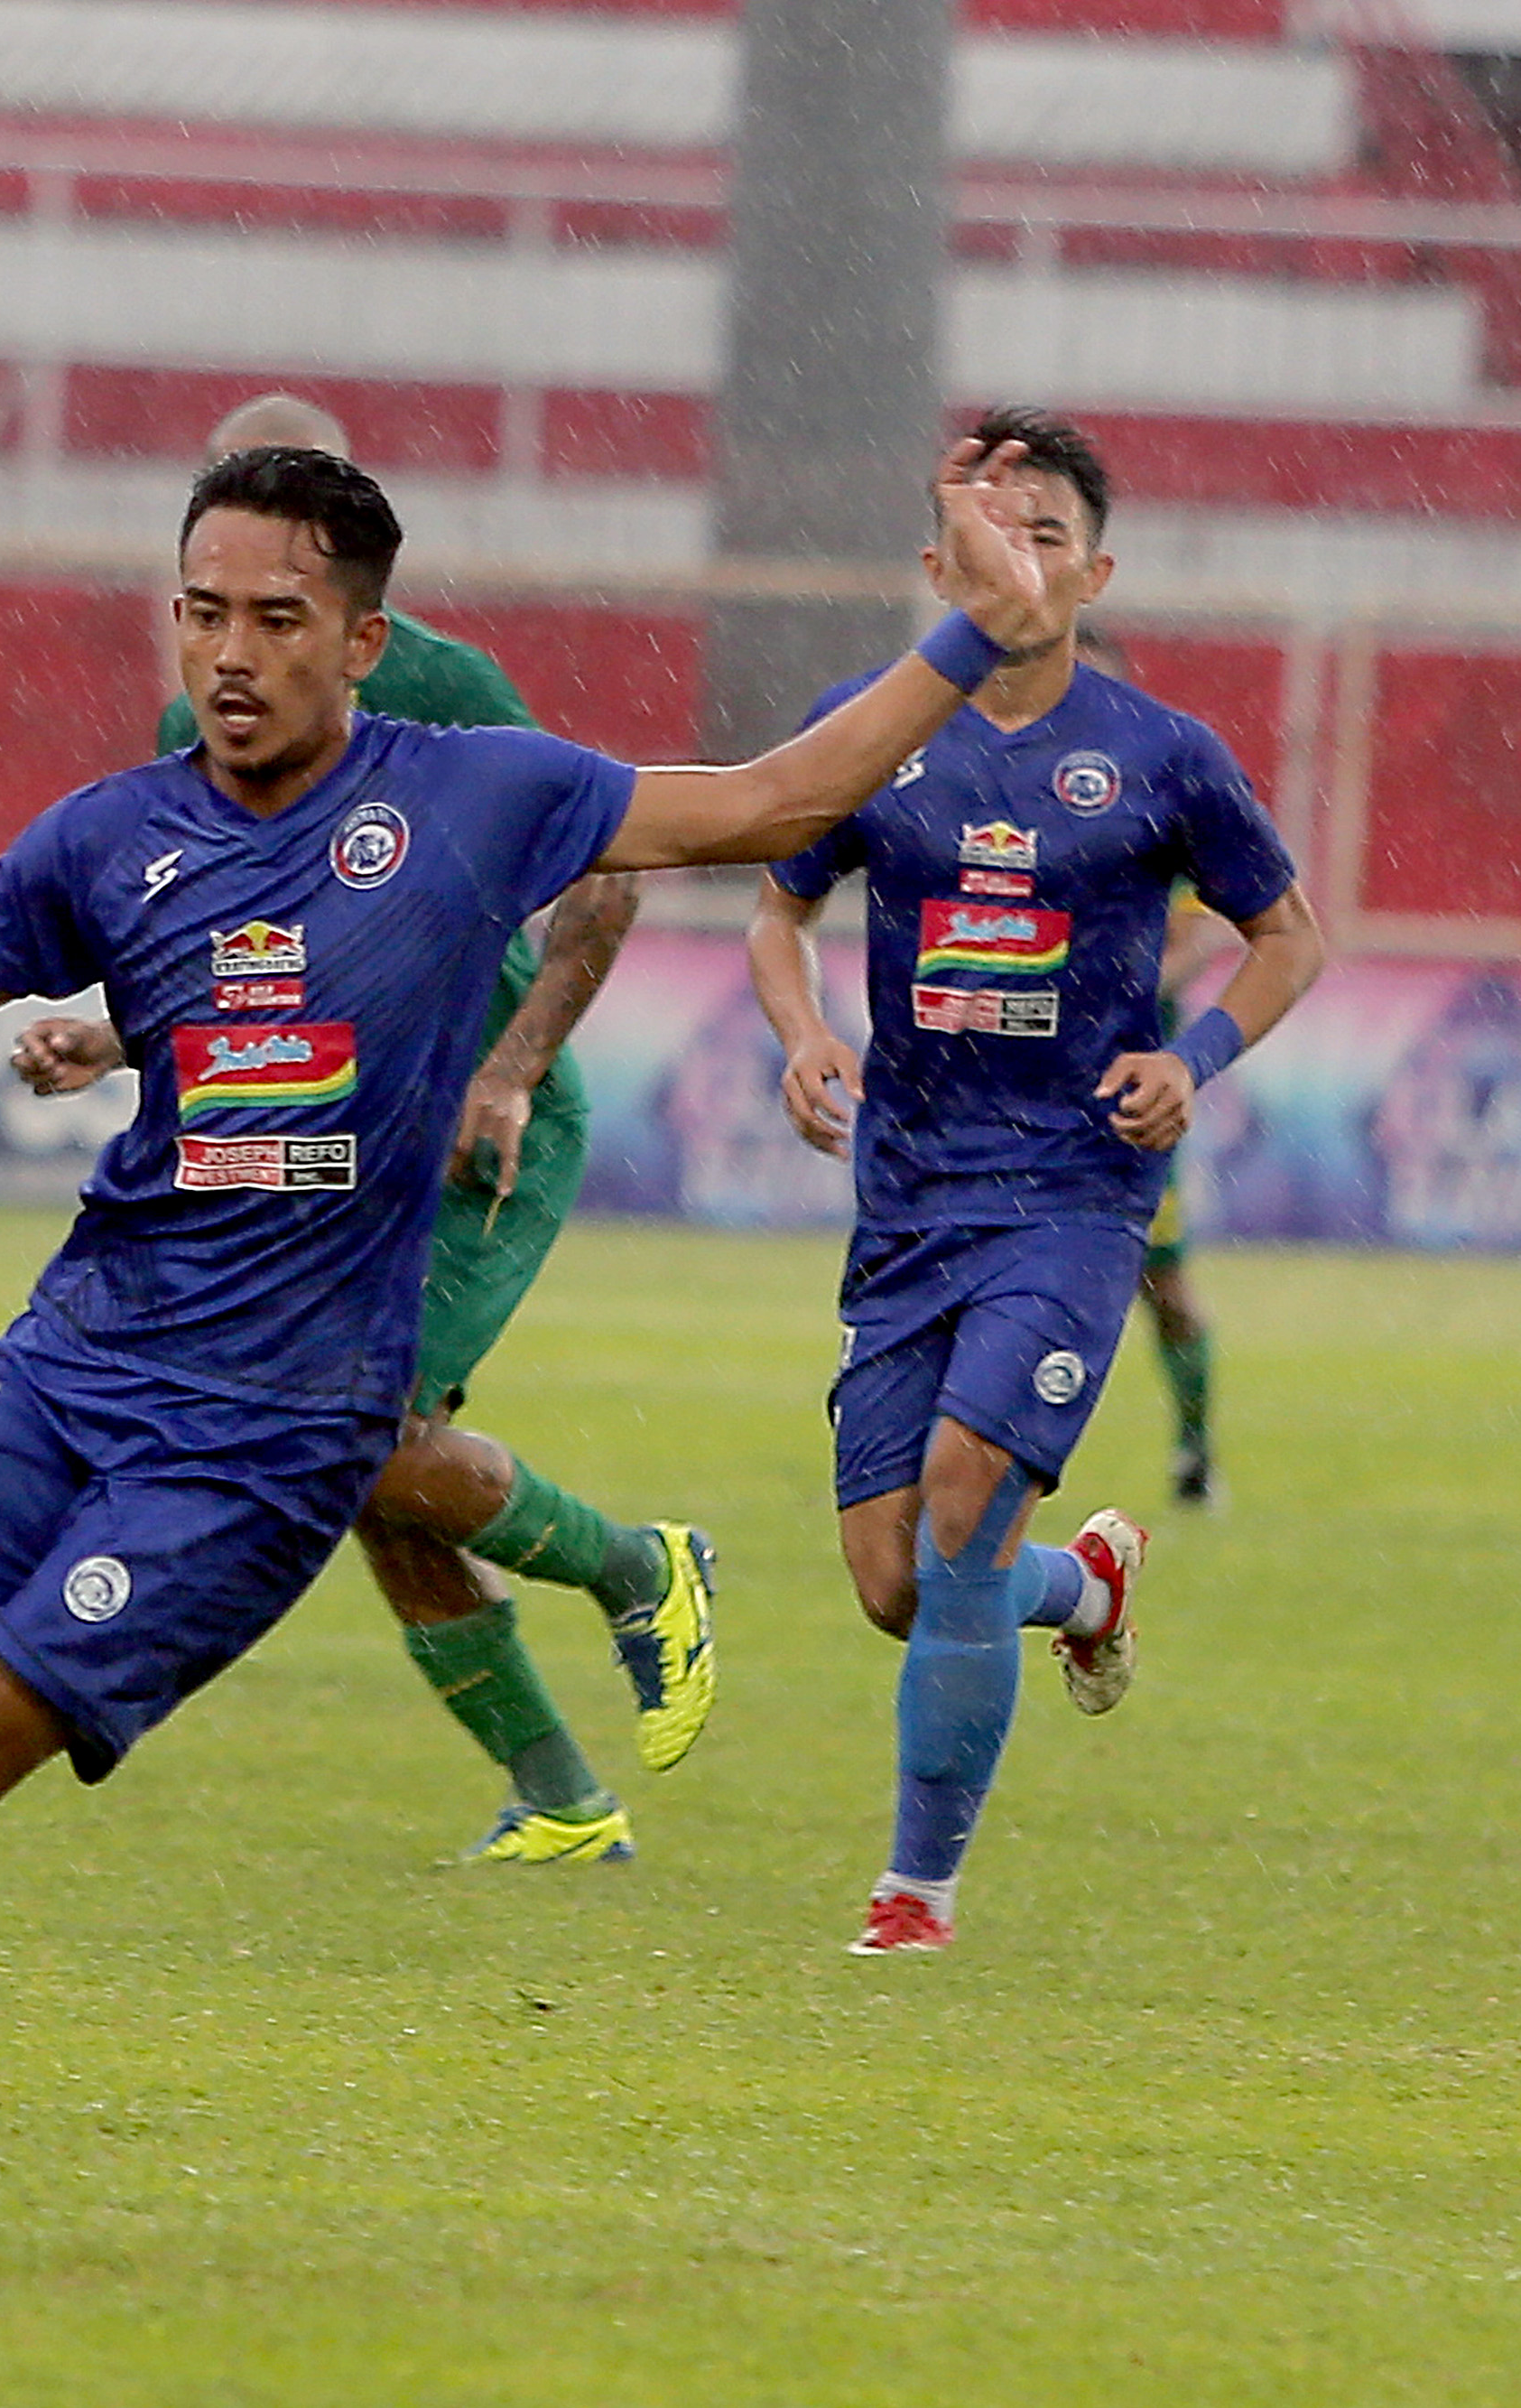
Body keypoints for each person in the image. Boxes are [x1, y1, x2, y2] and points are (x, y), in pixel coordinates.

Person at [0, 435, 1056, 2197]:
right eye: (198, 611)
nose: (227, 652)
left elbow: (758, 799)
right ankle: (27, 1669)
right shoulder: (107, 834)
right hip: (71, 1359)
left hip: (275, 1430)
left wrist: (968, 634)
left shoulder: (472, 796)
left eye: (275, 618)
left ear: (360, 643)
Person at [23, 388, 717, 1869]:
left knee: (368, 1443)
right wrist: (111, 1025)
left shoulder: (445, 690)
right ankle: (568, 1799)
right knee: (371, 1483)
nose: (237, 635)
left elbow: (609, 879)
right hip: (336, 1145)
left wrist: (513, 1069)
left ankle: (640, 1564)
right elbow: (239, 953)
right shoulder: (197, 721)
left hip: (477, 1132)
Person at [746, 406, 1323, 1957]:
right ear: (940, 565)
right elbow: (775, 907)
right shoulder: (871, 728)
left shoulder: (1160, 754)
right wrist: (803, 1033)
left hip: (1074, 1193)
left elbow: (1290, 936)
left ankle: (913, 1897)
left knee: (955, 1509)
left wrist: (1191, 1059)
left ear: (1094, 569)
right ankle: (1088, 1589)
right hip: (907, 1193)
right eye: (989, 533)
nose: (1016, 555)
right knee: (897, 1580)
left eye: (1047, 531)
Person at [1071, 626, 1240, 1507]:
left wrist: (1131, 984)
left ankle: (1194, 1451)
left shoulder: (1160, 805)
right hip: (1019, 1089)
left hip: (1130, 1094)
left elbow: (1220, 919)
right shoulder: (1002, 797)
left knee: (1162, 1287)